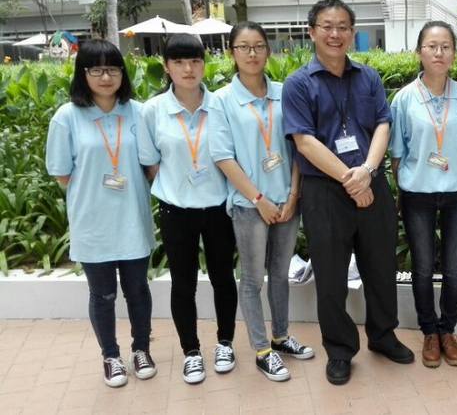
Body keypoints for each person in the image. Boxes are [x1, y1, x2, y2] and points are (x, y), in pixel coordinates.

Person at [282, 0, 414, 385]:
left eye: (343, 27)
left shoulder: (368, 77)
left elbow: (383, 125)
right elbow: (304, 142)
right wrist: (350, 179)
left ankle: (383, 336)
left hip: (371, 182)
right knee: (331, 277)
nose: (335, 33)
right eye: (327, 26)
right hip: (325, 191)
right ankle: (339, 351)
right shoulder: (297, 83)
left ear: (352, 33)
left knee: (381, 268)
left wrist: (367, 172)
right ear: (312, 32)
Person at [45, 39, 157, 388]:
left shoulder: (139, 112)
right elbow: (62, 174)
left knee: (137, 290)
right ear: (83, 74)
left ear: (123, 73)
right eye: (96, 69)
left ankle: (141, 350)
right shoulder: (67, 117)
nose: (106, 77)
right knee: (103, 294)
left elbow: (151, 166)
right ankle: (111, 356)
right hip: (92, 222)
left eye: (112, 69)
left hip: (132, 218)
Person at [209, 21, 315, 383]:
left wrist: (293, 195)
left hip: (287, 202)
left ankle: (281, 336)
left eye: (258, 46)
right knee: (253, 279)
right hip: (249, 206)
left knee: (281, 274)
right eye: (243, 47)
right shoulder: (222, 100)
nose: (252, 53)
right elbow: (223, 157)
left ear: (268, 51)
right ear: (232, 52)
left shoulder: (286, 93)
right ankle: (260, 349)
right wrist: (258, 200)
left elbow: (299, 147)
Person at [136, 33, 238, 384]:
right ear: (166, 66)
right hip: (176, 209)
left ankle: (225, 343)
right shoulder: (152, 110)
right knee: (183, 283)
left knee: (223, 277)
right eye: (178, 62)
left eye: (195, 60)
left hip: (219, 207)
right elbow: (150, 163)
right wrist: (176, 187)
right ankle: (191, 352)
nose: (188, 69)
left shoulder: (220, 105)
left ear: (204, 64)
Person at [388, 21, 457, 368]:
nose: (439, 52)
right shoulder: (404, 99)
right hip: (418, 194)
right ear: (419, 52)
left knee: (454, 268)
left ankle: (447, 331)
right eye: (431, 46)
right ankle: (429, 330)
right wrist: (402, 191)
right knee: (423, 267)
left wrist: (456, 173)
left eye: (446, 46)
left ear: (454, 53)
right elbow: (398, 152)